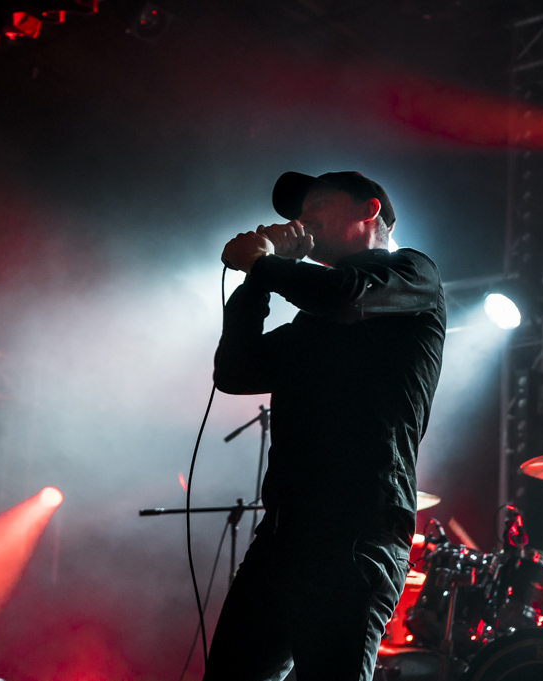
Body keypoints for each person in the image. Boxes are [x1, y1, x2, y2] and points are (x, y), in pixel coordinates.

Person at [207, 170, 446, 681]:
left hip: (355, 532)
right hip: (282, 535)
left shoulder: (412, 272)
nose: (304, 218)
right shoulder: (313, 322)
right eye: (301, 210)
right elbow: (235, 372)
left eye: (318, 203)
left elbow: (344, 295)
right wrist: (256, 280)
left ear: (369, 210)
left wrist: (265, 262)